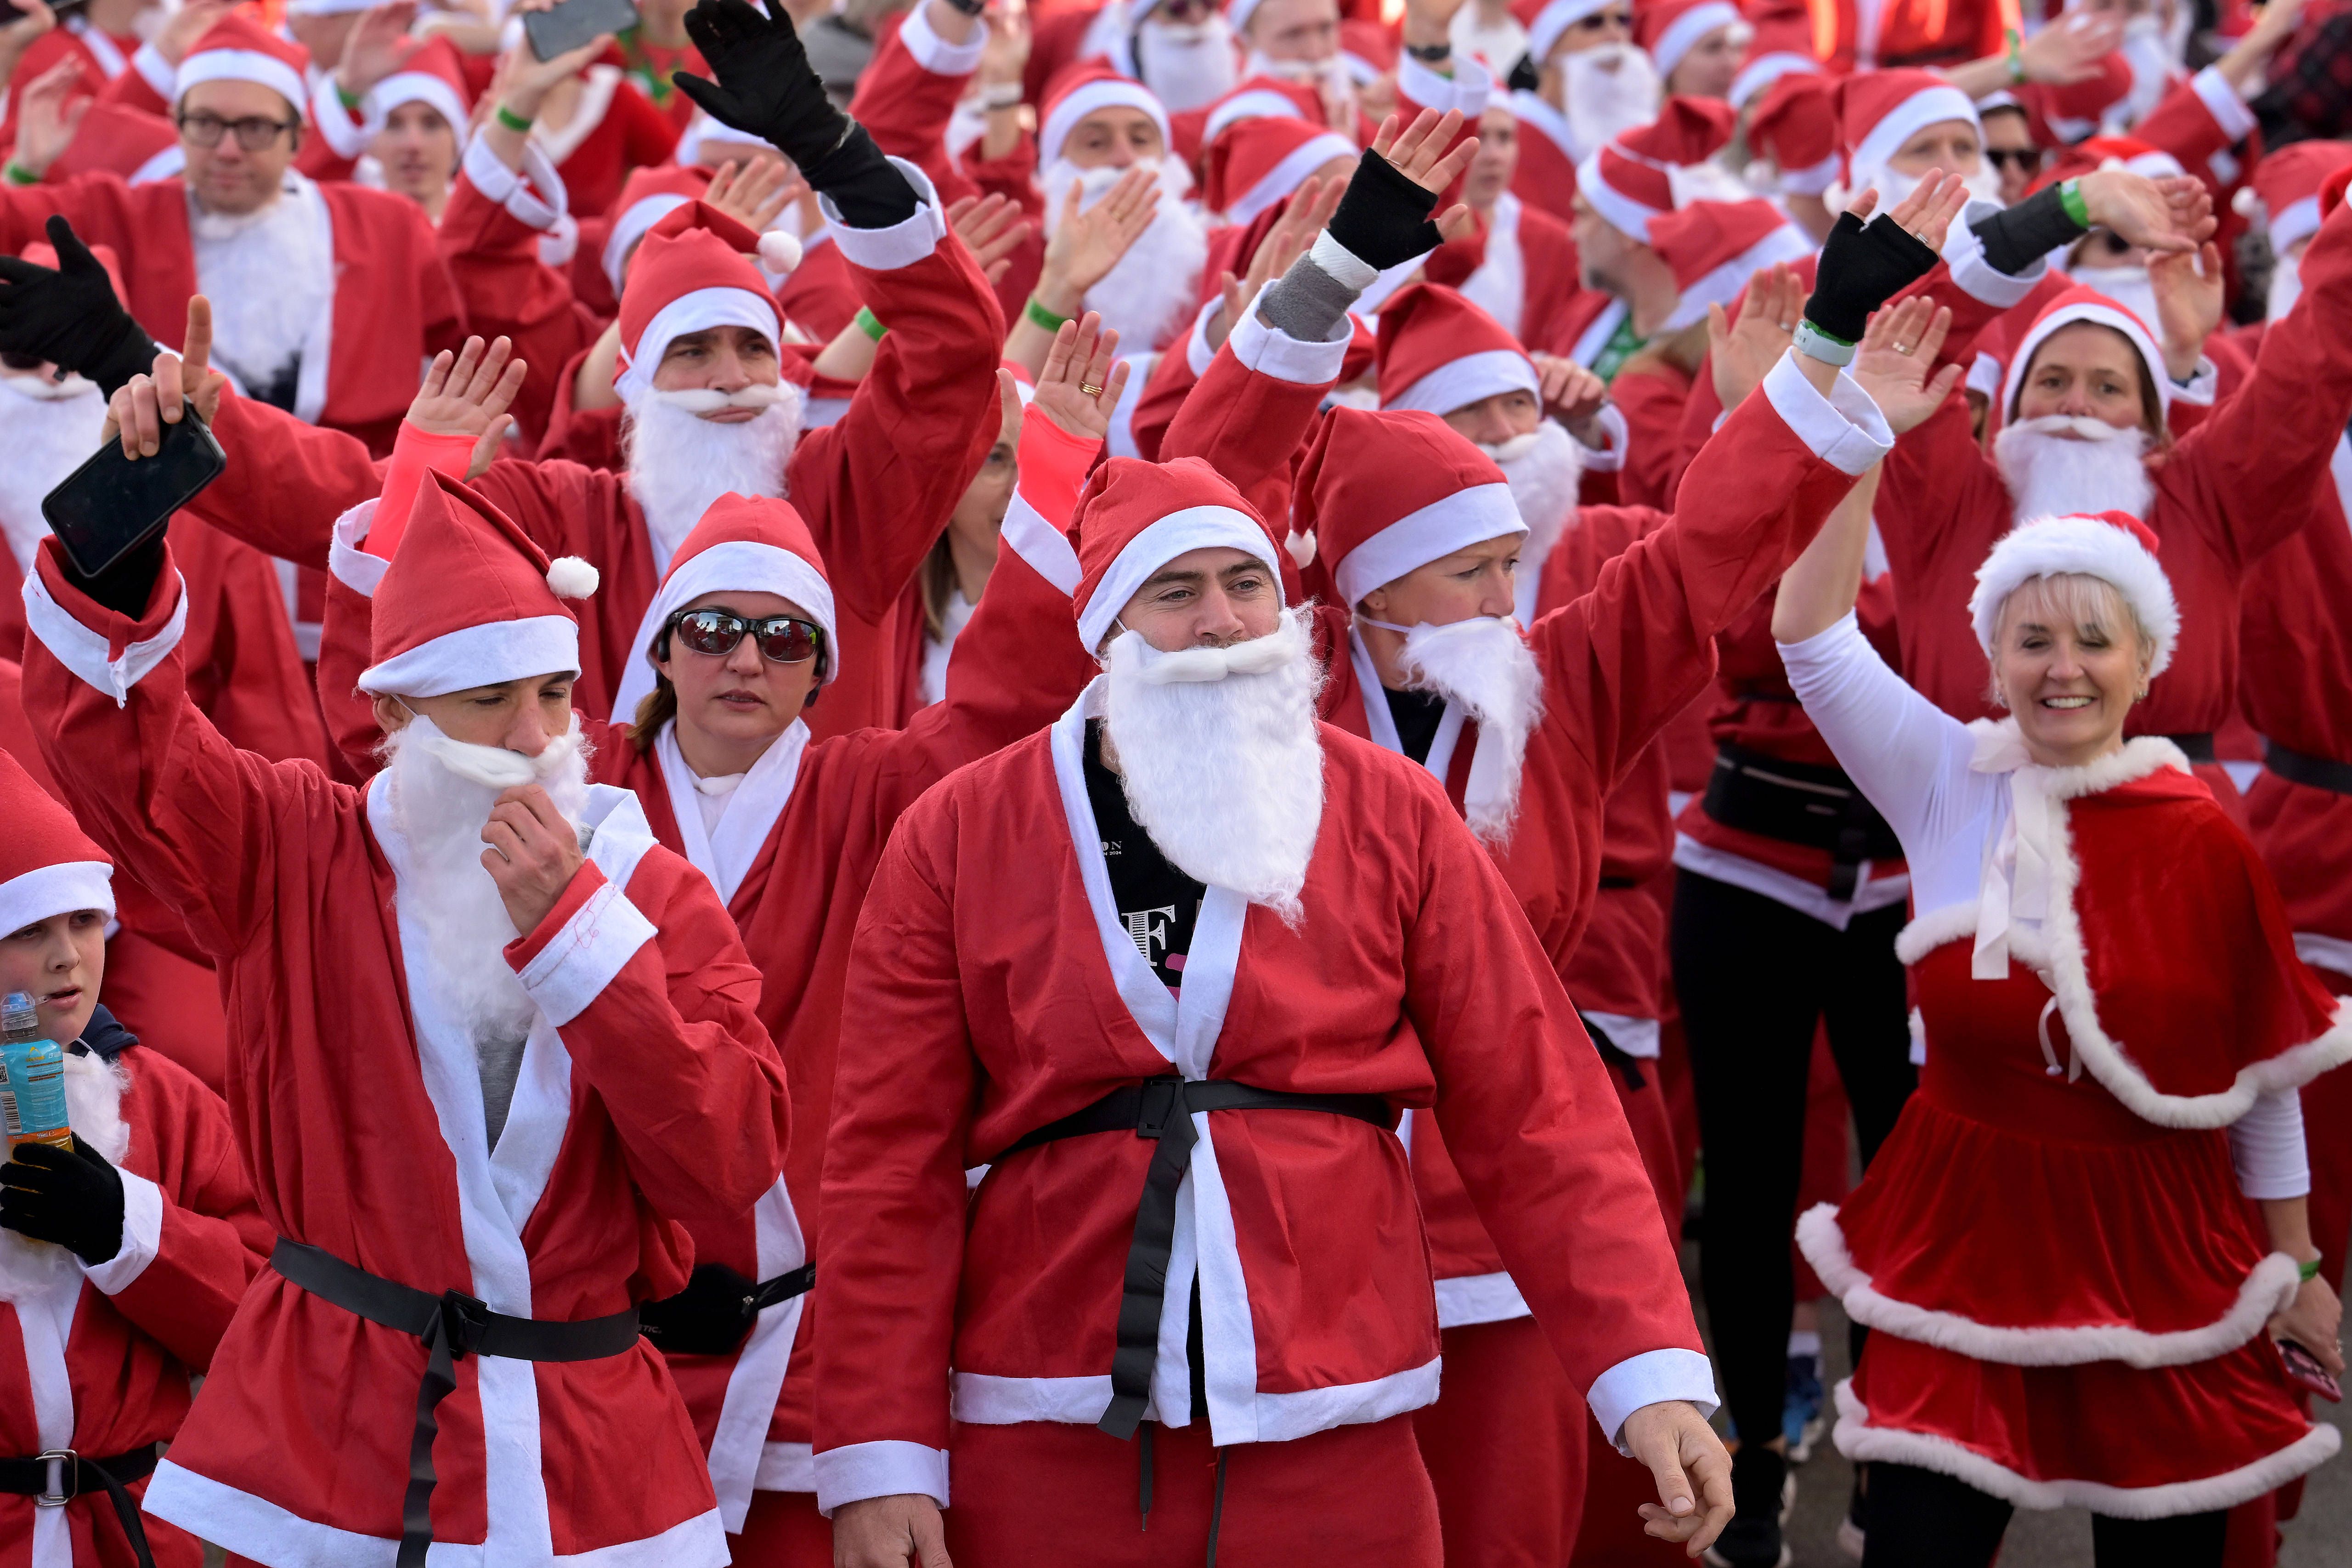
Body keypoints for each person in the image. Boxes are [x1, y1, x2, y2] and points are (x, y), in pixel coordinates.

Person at [303, 328, 1112, 1561]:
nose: (747, 657)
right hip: (584, 1346)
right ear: (662, 648)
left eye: (786, 638)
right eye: (716, 627)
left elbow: (1008, 698)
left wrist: (1050, 477)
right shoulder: (570, 789)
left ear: (823, 669)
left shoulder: (880, 791)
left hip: (808, 1348)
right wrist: (420, 477)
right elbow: (398, 726)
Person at [16, 357, 792, 1564]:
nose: (535, 739)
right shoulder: (295, 846)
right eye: (490, 701)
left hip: (594, 1456)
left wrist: (586, 948)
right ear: (401, 720)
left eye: (553, 693)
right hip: (325, 1437)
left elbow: (731, 1157)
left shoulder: (646, 889)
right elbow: (126, 758)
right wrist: (122, 528)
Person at [1770, 301, 2348, 1567]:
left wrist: (2296, 1262)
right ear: (1993, 654)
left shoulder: (2208, 834)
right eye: (2033, 639)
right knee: (1920, 1540)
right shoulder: (1943, 774)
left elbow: (2259, 1076)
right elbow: (1809, 638)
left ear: (2150, 662)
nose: (2063, 668)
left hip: (2162, 1241)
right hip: (1962, 1229)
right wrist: (1861, 435)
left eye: (2096, 640)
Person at [90, 0, 1006, 742]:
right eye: (691, 350)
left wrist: (831, 148)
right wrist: (189, 408)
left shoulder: (850, 498)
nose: (732, 377)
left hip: (825, 902)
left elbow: (953, 356)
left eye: (753, 346)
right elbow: (337, 501)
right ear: (633, 383)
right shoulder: (567, 512)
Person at [0, 741, 271, 1568]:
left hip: (132, 1534)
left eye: (84, 920)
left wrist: (126, 1228)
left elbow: (267, 1321)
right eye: (30, 930)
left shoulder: (165, 1099)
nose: (66, 956)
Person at [0, 13, 463, 452]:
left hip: (363, 508)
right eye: (205, 124)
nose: (227, 150)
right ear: (176, 125)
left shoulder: (389, 226)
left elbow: (471, 356)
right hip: (191, 515)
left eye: (254, 128)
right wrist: (23, 170)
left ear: (298, 137)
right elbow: (11, 225)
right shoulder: (125, 215)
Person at [1505, 0, 1659, 223]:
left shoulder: (1638, 129)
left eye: (1623, 21)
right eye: (1593, 23)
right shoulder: (1512, 136)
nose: (1615, 35)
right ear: (1549, 47)